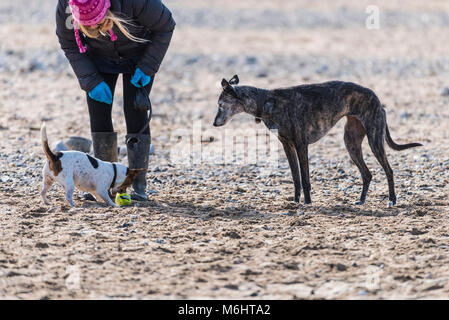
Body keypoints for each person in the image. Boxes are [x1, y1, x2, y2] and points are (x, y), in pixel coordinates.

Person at [55, 0, 175, 201]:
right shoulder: (67, 4)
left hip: (139, 55)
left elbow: (166, 25)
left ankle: (136, 185)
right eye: (87, 27)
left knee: (135, 113)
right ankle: (102, 184)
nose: (93, 29)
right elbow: (68, 43)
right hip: (97, 59)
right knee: (99, 115)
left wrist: (147, 67)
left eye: (99, 24)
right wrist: (91, 81)